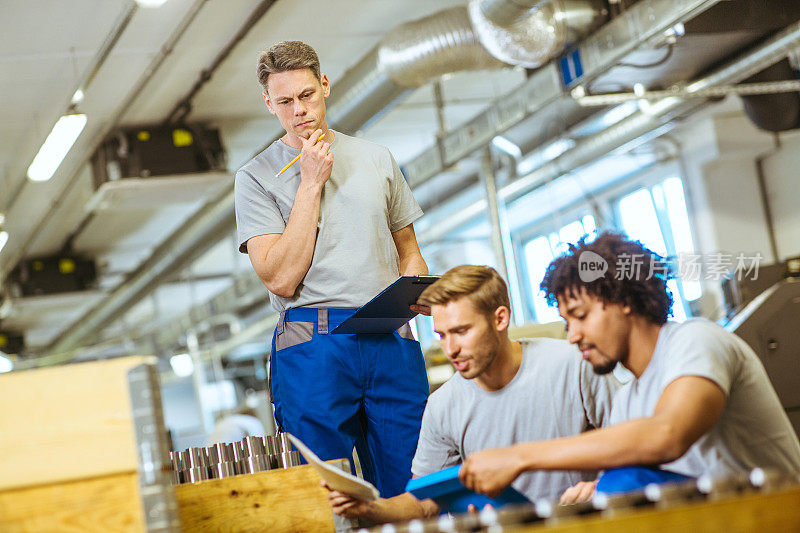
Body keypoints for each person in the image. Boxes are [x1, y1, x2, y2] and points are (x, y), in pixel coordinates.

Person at [458, 232, 800, 501]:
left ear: (623, 300)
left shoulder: (696, 340)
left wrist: (519, 456)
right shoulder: (627, 403)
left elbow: (668, 435)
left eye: (580, 316)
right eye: (566, 323)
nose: (573, 336)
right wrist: (593, 493)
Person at [234, 40, 429, 498]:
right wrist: (310, 182)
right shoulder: (255, 178)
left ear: (324, 85)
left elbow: (409, 250)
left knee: (418, 483)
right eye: (284, 102)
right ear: (269, 104)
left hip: (389, 337)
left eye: (306, 95)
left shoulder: (376, 158)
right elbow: (280, 277)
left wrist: (419, 287)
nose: (299, 110)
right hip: (312, 349)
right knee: (332, 497)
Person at [325, 265, 619, 522]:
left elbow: (634, 442)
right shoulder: (443, 406)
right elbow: (424, 502)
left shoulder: (573, 365)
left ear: (500, 319)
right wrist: (369, 508)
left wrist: (602, 486)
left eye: (462, 331)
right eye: (442, 335)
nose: (450, 349)